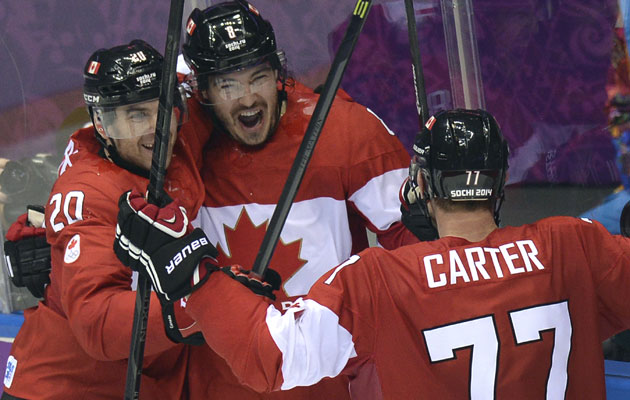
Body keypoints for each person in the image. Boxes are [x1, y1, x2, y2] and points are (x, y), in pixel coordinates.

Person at [116, 108, 630, 399]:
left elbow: (270, 357)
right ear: (500, 184)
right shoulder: (572, 246)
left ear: (420, 186)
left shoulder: (378, 279)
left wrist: (193, 275)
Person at [176, 1, 420, 398]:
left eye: (258, 77)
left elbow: (417, 243)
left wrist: (430, 224)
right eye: (228, 86)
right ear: (202, 91)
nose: (248, 98)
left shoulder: (342, 129)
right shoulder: (182, 145)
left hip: (336, 382)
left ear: (277, 73)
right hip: (225, 384)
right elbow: (112, 181)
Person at [2, 40, 212, 400]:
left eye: (163, 109)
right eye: (136, 115)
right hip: (65, 388)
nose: (156, 129)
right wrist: (202, 306)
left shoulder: (171, 142)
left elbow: (208, 73)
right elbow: (96, 321)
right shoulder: (87, 194)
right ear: (101, 122)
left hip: (144, 382)